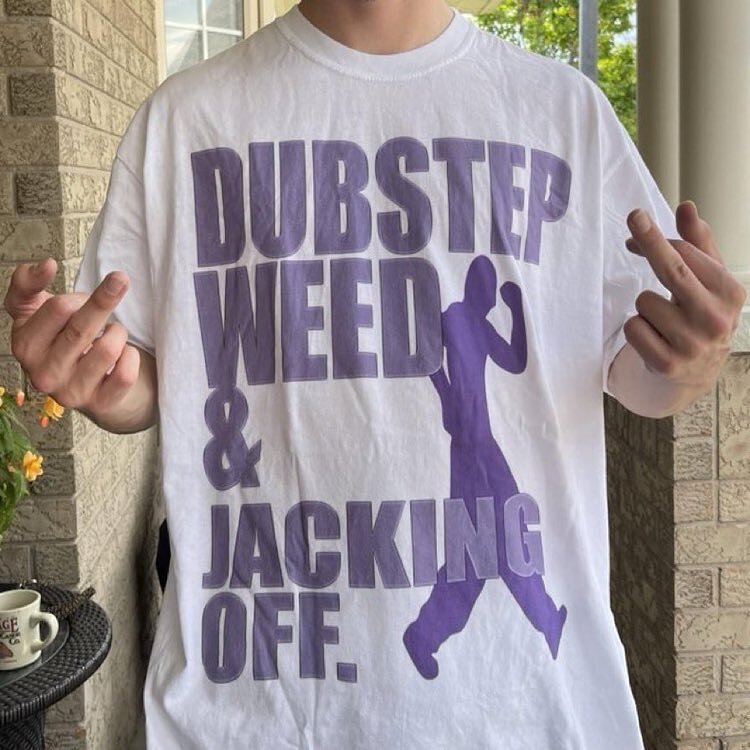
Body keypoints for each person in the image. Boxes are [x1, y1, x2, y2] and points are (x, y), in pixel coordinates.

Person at [3, 1, 745, 747]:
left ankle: (479, 625)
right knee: (488, 541)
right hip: (257, 711)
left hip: (531, 717)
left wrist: (697, 357)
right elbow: (150, 377)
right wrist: (103, 384)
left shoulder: (564, 113)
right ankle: (474, 624)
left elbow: (643, 375)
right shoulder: (184, 121)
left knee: (491, 540)